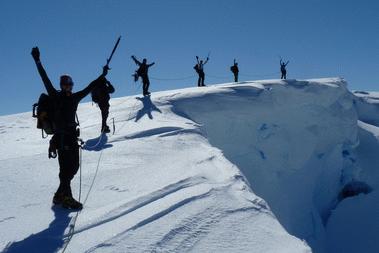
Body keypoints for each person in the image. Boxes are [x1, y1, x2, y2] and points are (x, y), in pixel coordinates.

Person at [31, 47, 108, 210]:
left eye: (70, 84)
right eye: (66, 84)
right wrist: (38, 61)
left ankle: (60, 195)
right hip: (61, 138)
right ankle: (67, 198)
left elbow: (90, 86)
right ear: (62, 85)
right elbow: (44, 78)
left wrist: (102, 75)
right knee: (66, 169)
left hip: (71, 137)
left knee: (73, 167)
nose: (69, 86)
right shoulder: (55, 96)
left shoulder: (74, 97)